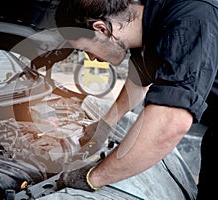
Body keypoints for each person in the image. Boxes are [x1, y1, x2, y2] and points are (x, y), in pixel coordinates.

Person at [54, 0, 218, 199]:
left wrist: (93, 178)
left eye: (86, 50)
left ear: (101, 29)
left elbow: (170, 123)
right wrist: (105, 125)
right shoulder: (154, 18)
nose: (92, 59)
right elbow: (139, 78)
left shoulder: (190, 23)